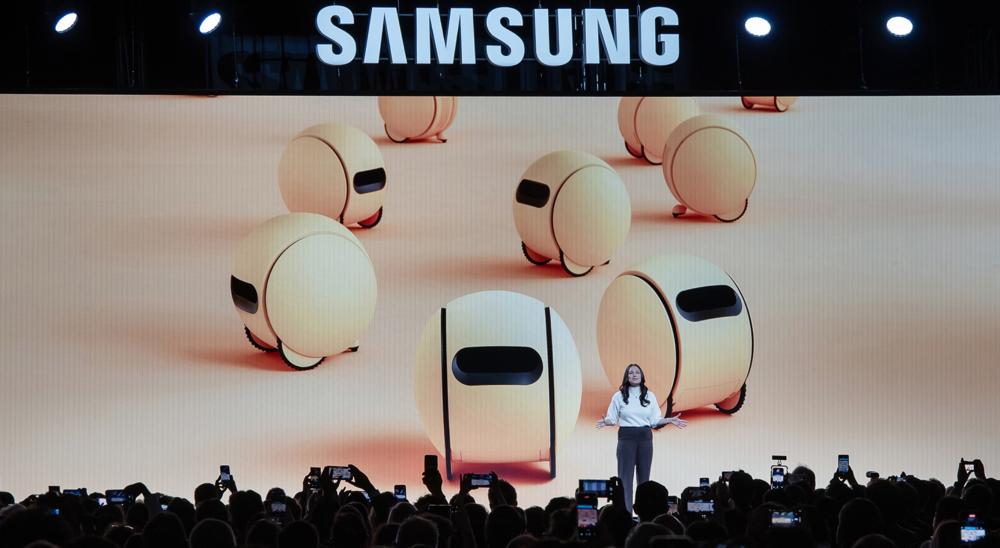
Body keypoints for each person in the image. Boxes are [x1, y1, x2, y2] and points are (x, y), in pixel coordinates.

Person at [596, 364, 687, 513]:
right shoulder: (618, 396)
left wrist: (669, 420)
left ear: (642, 376)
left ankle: (645, 513)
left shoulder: (650, 395)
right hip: (626, 437)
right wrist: (606, 421)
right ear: (626, 376)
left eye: (637, 372)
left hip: (645, 437)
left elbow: (654, 421)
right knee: (625, 478)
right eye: (630, 372)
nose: (634, 375)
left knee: (644, 479)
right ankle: (625, 515)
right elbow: (612, 418)